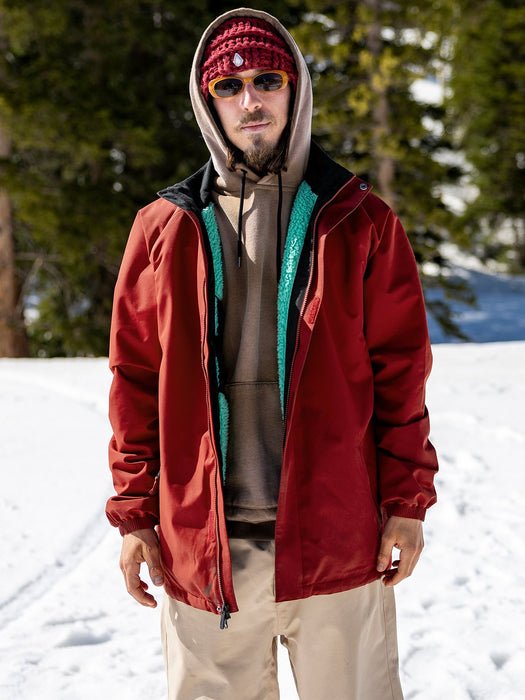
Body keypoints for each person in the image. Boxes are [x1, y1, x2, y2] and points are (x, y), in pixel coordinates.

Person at [106, 7, 438, 700]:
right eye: (228, 86)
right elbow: (134, 381)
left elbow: (401, 372)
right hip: (205, 553)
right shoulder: (163, 228)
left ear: (296, 89)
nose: (249, 100)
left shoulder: (361, 221)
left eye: (267, 80)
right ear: (207, 101)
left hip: (336, 544)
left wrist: (406, 500)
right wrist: (136, 514)